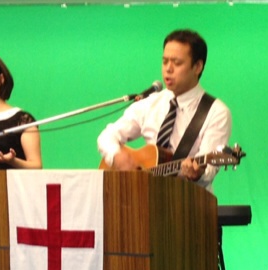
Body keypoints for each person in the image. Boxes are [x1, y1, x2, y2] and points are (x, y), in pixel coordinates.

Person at [97, 29, 232, 191]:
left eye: (177, 63)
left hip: (188, 201)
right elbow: (106, 136)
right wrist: (117, 156)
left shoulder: (216, 112)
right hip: (143, 199)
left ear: (197, 67)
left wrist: (197, 174)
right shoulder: (151, 103)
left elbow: (208, 170)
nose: (168, 68)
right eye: (165, 61)